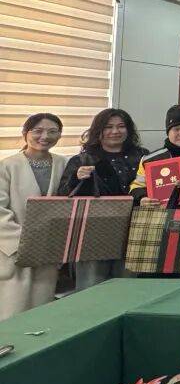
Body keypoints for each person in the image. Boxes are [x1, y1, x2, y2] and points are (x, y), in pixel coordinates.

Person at [59, 108, 147, 291]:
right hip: (93, 233)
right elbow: (63, 197)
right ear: (98, 130)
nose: (115, 131)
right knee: (91, 288)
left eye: (121, 126)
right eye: (108, 127)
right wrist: (76, 177)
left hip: (133, 231)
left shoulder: (143, 156)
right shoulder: (81, 160)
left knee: (127, 288)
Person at [0, 114, 66, 320]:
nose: (45, 136)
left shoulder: (64, 164)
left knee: (42, 311)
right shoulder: (7, 165)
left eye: (52, 131)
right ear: (25, 133)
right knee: (12, 310)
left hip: (49, 249)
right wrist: (24, 239)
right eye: (38, 131)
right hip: (14, 249)